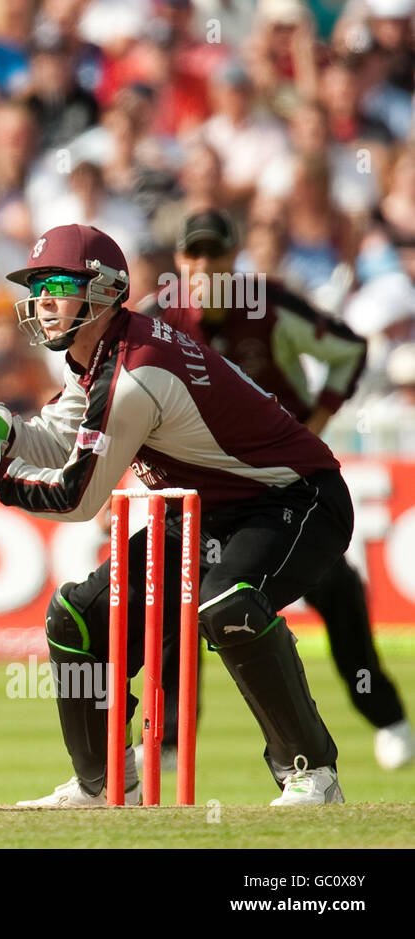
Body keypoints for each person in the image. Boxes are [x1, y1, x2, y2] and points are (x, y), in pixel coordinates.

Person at [0, 223, 351, 806]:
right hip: (205, 510)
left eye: (56, 283)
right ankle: (102, 780)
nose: (41, 299)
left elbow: (77, 499)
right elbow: (53, 437)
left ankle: (311, 774)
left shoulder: (134, 373)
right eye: (36, 285)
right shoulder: (97, 355)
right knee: (74, 617)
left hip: (296, 499)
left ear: (102, 290)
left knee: (229, 605)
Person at [141, 209, 411, 771]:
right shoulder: (157, 321)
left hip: (281, 494)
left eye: (216, 253)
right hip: (202, 497)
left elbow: (348, 351)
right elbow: (128, 406)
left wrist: (311, 426)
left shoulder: (266, 306)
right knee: (176, 598)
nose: (205, 265)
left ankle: (387, 718)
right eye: (194, 254)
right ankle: (166, 742)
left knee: (335, 587)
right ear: (180, 262)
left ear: (234, 257)